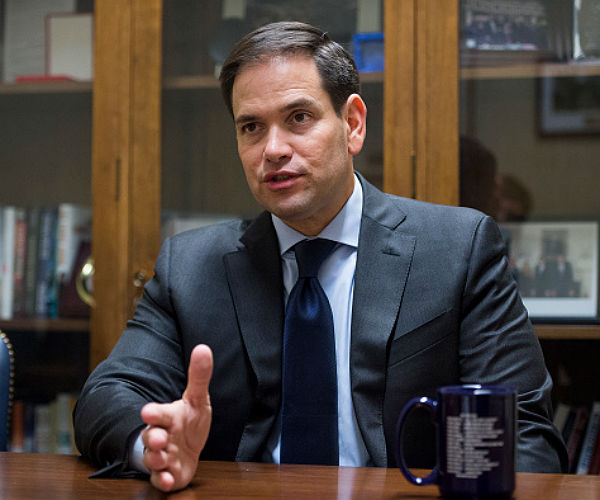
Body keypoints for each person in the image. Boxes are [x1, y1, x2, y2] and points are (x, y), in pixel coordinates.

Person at [73, 21, 567, 492]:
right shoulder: (191, 266)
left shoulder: (458, 249)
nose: (273, 149)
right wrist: (153, 444)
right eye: (251, 127)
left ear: (352, 124)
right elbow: (105, 396)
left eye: (298, 118)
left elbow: (525, 433)